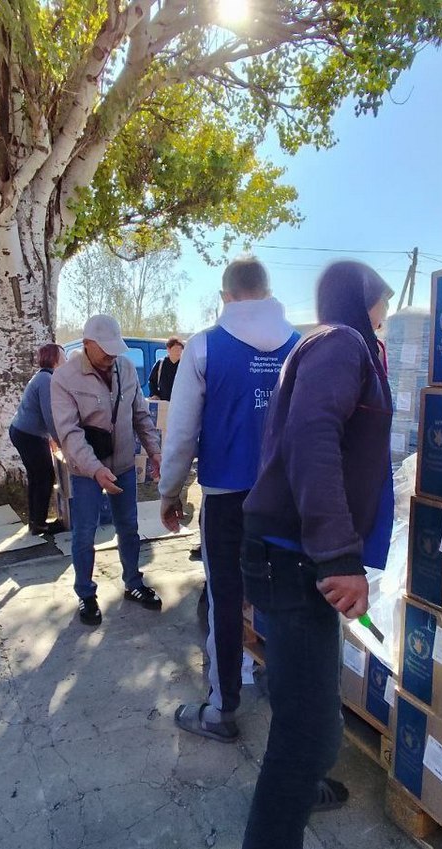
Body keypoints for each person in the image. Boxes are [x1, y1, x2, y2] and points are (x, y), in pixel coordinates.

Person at [235, 261, 395, 849]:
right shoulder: (341, 343)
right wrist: (337, 556)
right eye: (383, 301)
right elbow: (310, 436)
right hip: (298, 559)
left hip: (296, 556)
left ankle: (302, 782)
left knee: (312, 718)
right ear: (364, 300)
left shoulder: (345, 348)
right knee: (304, 739)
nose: (385, 312)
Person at [160, 257, 299, 742]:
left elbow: (180, 435)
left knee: (225, 598)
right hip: (286, 500)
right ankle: (291, 719)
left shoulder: (204, 349)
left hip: (225, 499)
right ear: (268, 291)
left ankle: (221, 711)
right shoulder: (300, 347)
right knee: (284, 601)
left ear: (227, 296)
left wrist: (170, 492)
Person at [51, 315, 163, 626]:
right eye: (105, 350)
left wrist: (155, 451)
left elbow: (140, 414)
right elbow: (69, 433)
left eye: (116, 349)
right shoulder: (64, 378)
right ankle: (86, 594)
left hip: (123, 464)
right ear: (87, 344)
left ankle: (134, 583)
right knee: (85, 533)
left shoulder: (125, 367)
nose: (111, 355)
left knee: (128, 527)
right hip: (86, 471)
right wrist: (96, 469)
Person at [9, 343, 66, 535]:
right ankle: (39, 523)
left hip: (24, 432)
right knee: (45, 476)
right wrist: (59, 440)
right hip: (28, 435)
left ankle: (35, 521)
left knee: (36, 476)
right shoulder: (46, 380)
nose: (65, 361)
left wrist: (50, 437)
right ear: (55, 359)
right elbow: (50, 415)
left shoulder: (42, 377)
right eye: (63, 357)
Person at [148, 337, 184, 401]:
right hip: (162, 403)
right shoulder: (160, 364)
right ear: (168, 349)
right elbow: (152, 381)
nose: (178, 352)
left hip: (179, 403)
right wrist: (155, 394)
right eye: (175, 349)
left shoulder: (184, 365)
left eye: (180, 349)